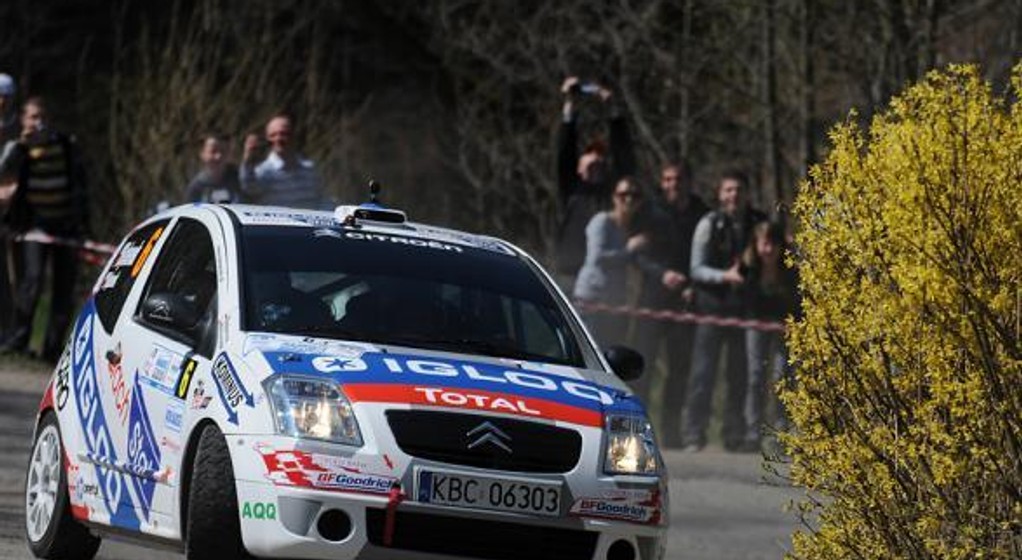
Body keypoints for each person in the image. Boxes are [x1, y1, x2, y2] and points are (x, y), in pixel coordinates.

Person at [681, 170, 767, 452]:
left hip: (746, 311)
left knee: (739, 376)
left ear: (748, 193)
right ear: (720, 194)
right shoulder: (709, 223)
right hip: (711, 310)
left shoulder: (760, 223)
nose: (734, 195)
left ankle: (733, 435)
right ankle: (694, 434)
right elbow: (696, 269)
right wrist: (725, 277)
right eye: (729, 189)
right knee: (702, 375)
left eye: (739, 189)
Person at [0, 97, 89, 362]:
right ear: (24, 120)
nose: (38, 123)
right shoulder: (18, 148)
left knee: (64, 288)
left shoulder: (65, 145)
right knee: (32, 280)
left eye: (42, 117)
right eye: (32, 117)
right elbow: (3, 172)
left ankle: (52, 348)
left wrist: (83, 223)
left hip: (66, 226)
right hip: (33, 226)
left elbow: (81, 184)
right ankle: (19, 341)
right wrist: (21, 146)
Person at [631, 163, 710, 447]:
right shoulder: (649, 211)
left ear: (688, 181)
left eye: (678, 179)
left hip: (685, 301)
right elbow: (636, 256)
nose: (672, 184)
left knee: (679, 370)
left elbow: (708, 256)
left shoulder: (703, 213)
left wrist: (691, 283)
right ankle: (636, 431)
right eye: (667, 179)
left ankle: (672, 432)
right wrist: (661, 273)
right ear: (661, 183)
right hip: (652, 298)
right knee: (643, 368)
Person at [554, 76, 636, 290]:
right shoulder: (572, 188)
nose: (596, 163)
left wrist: (613, 110)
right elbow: (565, 152)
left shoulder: (612, 193)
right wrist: (570, 105)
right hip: (570, 275)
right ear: (579, 166)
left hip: (606, 280)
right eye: (590, 159)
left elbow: (624, 156)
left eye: (601, 160)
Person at [740, 221, 800, 452]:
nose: (768, 250)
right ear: (756, 245)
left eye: (773, 244)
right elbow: (744, 299)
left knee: (781, 376)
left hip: (783, 327)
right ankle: (752, 432)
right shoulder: (748, 268)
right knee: (755, 375)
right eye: (764, 244)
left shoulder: (790, 269)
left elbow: (796, 302)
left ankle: (780, 431)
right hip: (756, 325)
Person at [573, 176, 645, 347]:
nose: (629, 199)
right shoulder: (602, 221)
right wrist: (629, 250)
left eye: (635, 195)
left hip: (613, 303)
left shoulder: (630, 227)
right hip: (591, 300)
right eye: (623, 194)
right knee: (590, 354)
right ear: (614, 197)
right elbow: (597, 257)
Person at [240, 112, 324, 209]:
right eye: (273, 135)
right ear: (267, 139)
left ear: (293, 135)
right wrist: (248, 158)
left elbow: (320, 199)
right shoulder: (264, 172)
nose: (278, 139)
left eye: (283, 134)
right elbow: (249, 188)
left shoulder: (310, 169)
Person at [0, 73, 19, 336]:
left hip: (7, 215)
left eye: (5, 97)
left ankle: (6, 330)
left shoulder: (16, 132)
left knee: (6, 276)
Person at [186, 133, 241, 204]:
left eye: (223, 151)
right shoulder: (196, 187)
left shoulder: (240, 179)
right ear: (202, 154)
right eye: (213, 151)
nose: (218, 156)